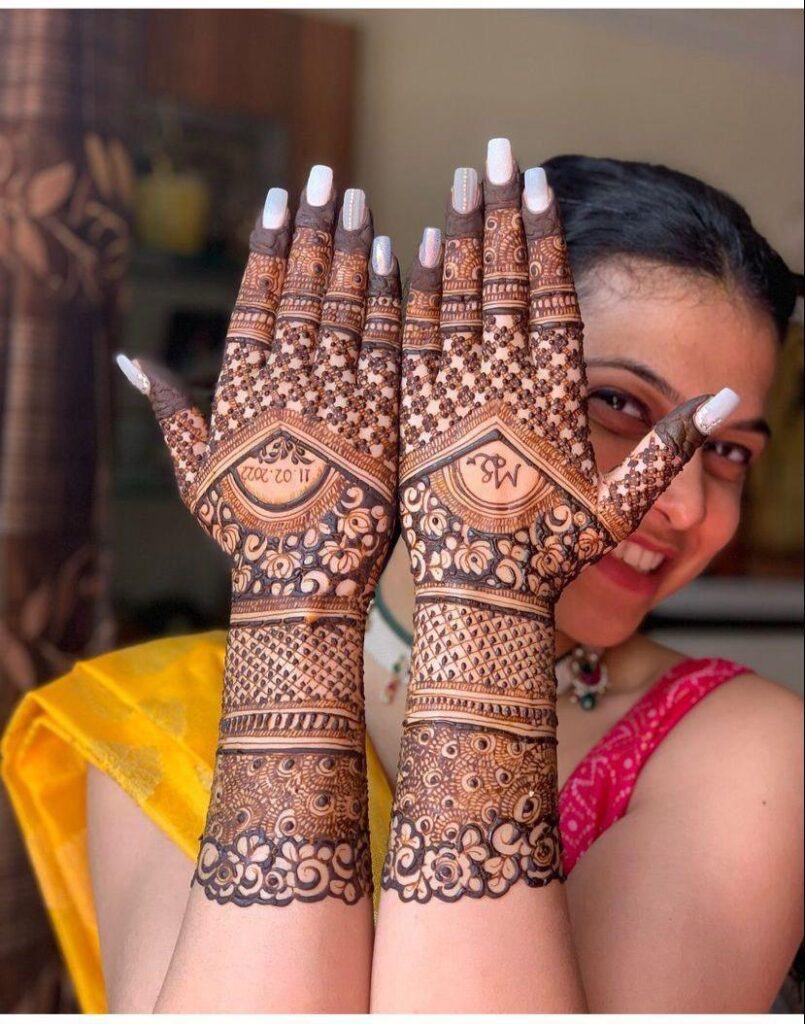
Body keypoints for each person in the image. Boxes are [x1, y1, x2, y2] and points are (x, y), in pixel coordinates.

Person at [2, 140, 801, 1013]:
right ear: (425, 375)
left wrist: (485, 591)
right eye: (616, 403)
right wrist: (293, 597)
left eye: (726, 451)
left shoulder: (749, 749)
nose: (681, 500)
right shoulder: (156, 716)